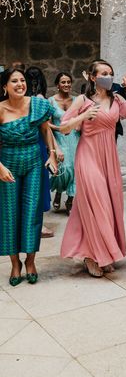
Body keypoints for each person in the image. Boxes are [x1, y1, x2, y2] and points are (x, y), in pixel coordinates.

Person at [59, 60, 126, 278]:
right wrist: (83, 116)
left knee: (109, 205)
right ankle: (91, 256)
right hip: (88, 155)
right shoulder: (82, 100)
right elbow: (64, 127)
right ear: (93, 77)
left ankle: (101, 252)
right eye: (104, 73)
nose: (109, 76)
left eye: (111, 73)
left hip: (109, 157)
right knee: (99, 204)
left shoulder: (117, 99)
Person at [0, 68, 58, 286]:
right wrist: (0, 167)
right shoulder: (0, 109)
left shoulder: (38, 105)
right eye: (14, 81)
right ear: (5, 86)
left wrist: (52, 155)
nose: (19, 84)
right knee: (9, 214)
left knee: (32, 211)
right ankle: (15, 264)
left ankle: (31, 261)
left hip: (34, 161)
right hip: (8, 164)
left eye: (22, 80)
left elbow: (46, 131)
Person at [24, 66, 58, 238]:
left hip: (29, 142)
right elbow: (46, 129)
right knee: (39, 184)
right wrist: (53, 148)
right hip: (37, 144)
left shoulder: (23, 99)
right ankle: (38, 223)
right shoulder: (40, 100)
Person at [48, 72, 80, 214]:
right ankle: (59, 192)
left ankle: (70, 199)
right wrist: (60, 128)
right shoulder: (51, 101)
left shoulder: (76, 100)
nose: (66, 84)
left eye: (68, 82)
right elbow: (47, 124)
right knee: (64, 169)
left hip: (75, 137)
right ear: (57, 85)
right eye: (63, 82)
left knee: (74, 169)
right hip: (59, 138)